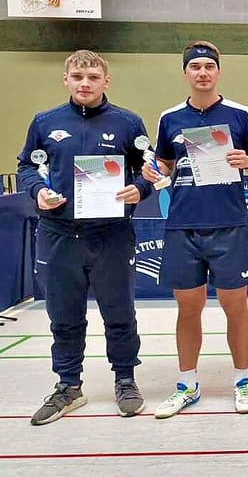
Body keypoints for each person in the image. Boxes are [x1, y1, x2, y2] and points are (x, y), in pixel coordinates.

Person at [18, 50, 151, 425]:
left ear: (106, 81)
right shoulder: (45, 122)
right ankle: (68, 386)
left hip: (111, 234)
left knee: (119, 312)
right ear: (66, 80)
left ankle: (125, 378)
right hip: (60, 233)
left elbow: (149, 167)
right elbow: (27, 165)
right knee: (63, 315)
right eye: (78, 77)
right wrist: (36, 193)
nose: (85, 83)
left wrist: (140, 188)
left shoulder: (128, 123)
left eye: (93, 76)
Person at [144, 41, 248, 419]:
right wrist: (154, 172)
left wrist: (247, 160)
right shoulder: (169, 118)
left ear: (218, 72)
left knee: (236, 307)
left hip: (228, 224)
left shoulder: (239, 114)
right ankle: (187, 384)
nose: (202, 72)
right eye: (195, 66)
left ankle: (243, 380)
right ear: (186, 73)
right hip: (183, 225)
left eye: (208, 67)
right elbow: (163, 164)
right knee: (188, 309)